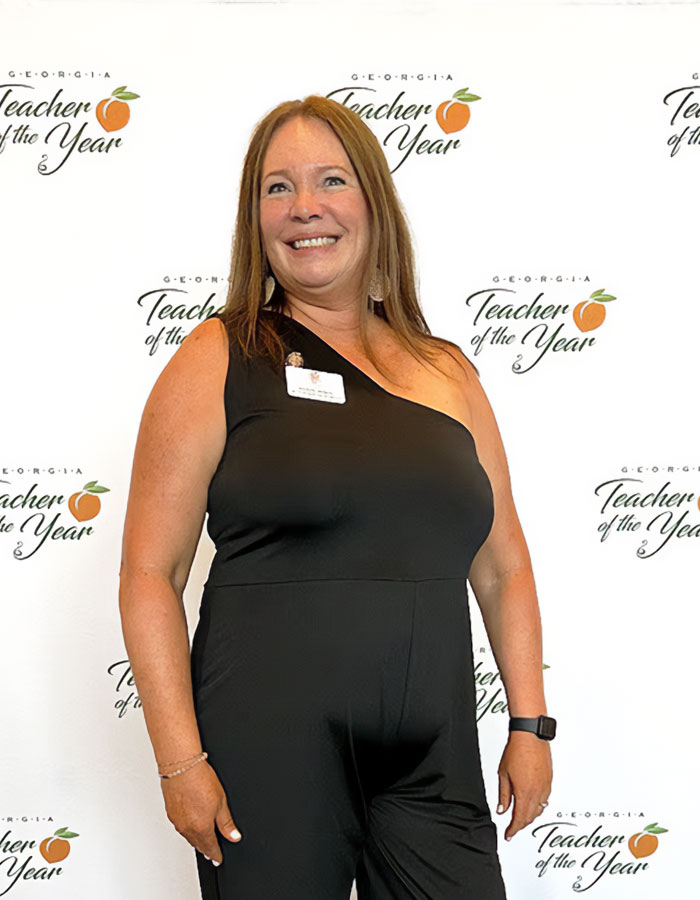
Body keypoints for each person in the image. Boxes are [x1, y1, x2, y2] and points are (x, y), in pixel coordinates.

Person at [118, 94, 554, 899]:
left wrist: (529, 724)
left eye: (330, 180)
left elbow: (503, 567)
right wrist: (180, 760)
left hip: (433, 752)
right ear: (255, 218)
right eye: (277, 188)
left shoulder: (449, 371)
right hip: (266, 751)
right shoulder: (217, 355)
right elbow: (150, 571)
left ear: (374, 204)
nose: (305, 207)